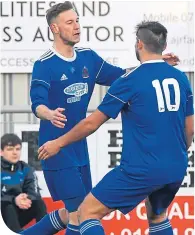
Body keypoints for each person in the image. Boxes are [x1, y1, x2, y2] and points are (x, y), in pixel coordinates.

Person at [21, 2, 179, 234]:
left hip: (79, 147)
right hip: (56, 147)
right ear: (54, 29)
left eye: (77, 21)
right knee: (79, 213)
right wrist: (49, 113)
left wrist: (155, 64)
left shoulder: (88, 58)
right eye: (70, 22)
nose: (77, 26)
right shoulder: (45, 64)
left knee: (72, 213)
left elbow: (120, 75)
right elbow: (37, 103)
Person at [1, 133, 47, 233]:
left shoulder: (26, 169)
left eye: (17, 149)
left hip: (18, 213)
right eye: (10, 149)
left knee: (39, 203)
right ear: (1, 152)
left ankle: (45, 232)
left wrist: (26, 198)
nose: (14, 153)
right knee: (7, 205)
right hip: (3, 215)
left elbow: (34, 193)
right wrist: (14, 200)